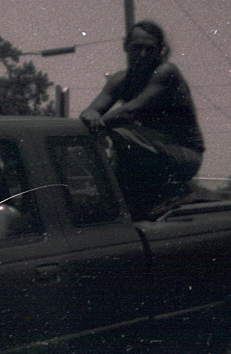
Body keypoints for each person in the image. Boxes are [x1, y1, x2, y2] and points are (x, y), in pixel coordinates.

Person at [80, 20, 205, 217]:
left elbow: (129, 111)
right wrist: (92, 115)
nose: (143, 55)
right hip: (152, 150)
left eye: (150, 49)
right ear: (125, 46)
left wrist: (98, 123)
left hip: (184, 155)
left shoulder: (166, 72)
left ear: (160, 50)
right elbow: (92, 111)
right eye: (137, 48)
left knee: (120, 135)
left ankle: (157, 196)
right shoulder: (120, 79)